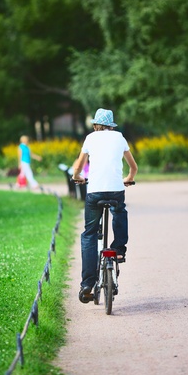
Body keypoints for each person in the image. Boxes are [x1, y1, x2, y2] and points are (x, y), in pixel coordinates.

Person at [72, 108, 138, 303]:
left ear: (95, 125)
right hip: (116, 190)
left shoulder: (90, 138)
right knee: (119, 211)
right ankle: (118, 249)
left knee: (89, 233)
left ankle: (87, 284)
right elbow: (133, 167)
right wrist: (128, 179)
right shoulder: (120, 137)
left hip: (94, 192)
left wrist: (77, 178)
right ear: (111, 125)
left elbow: (77, 167)